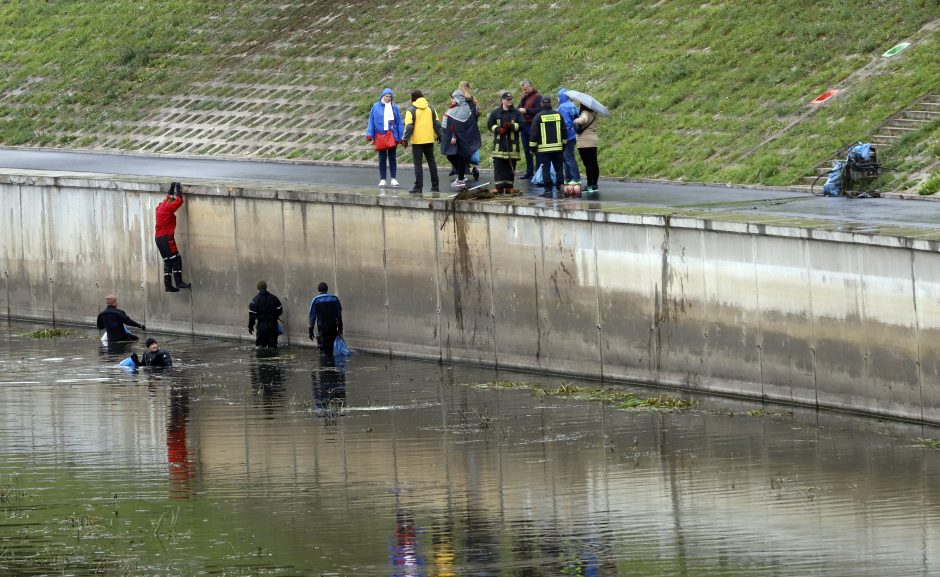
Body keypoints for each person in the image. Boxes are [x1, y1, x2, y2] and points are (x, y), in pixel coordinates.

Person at [402, 90, 442, 194]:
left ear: (413, 98)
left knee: (418, 164)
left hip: (417, 141)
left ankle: (418, 187)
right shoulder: (431, 108)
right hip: (429, 139)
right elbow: (437, 123)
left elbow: (409, 126)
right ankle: (435, 186)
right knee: (431, 162)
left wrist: (405, 139)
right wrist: (440, 135)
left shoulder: (411, 110)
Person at [440, 90, 482, 189]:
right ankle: (461, 176)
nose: (452, 100)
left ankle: (460, 179)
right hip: (457, 139)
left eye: (453, 98)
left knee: (458, 157)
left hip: (458, 140)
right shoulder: (459, 109)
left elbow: (458, 125)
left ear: (458, 98)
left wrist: (454, 136)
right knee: (452, 157)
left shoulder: (463, 110)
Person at [155, 182, 192, 293]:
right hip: (167, 239)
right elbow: (179, 201)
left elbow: (168, 198)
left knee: (168, 261)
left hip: (158, 239)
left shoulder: (160, 207)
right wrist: (178, 191)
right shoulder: (167, 208)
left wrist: (171, 189)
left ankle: (168, 285)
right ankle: (179, 282)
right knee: (176, 260)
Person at [365, 88, 404, 188]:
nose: (388, 98)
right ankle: (382, 179)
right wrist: (370, 134)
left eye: (390, 96)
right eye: (386, 96)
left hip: (392, 136)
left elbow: (399, 122)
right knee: (382, 158)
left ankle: (393, 178)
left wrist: (401, 136)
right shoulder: (376, 106)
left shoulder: (394, 107)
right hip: (380, 136)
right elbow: (371, 121)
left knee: (392, 157)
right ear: (382, 96)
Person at [486, 91, 524, 195]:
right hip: (499, 145)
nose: (509, 101)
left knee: (510, 167)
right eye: (508, 100)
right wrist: (498, 129)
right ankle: (498, 187)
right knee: (499, 166)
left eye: (511, 99)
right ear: (502, 100)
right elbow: (490, 124)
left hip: (512, 145)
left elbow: (522, 125)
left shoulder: (516, 113)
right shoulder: (496, 112)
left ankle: (509, 187)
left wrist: (512, 126)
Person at [529, 96, 567, 197]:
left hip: (544, 150)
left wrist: (532, 148)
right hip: (558, 148)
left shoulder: (538, 116)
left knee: (546, 169)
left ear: (541, 104)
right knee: (559, 169)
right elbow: (564, 131)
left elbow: (534, 134)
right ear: (551, 103)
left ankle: (548, 190)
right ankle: (561, 188)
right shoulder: (558, 115)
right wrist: (564, 145)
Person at [308, 281, 343, 356]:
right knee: (332, 348)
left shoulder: (316, 300)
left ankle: (324, 365)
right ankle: (332, 366)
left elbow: (312, 316)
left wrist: (310, 331)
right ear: (327, 289)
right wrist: (340, 328)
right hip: (333, 326)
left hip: (322, 327)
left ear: (318, 290)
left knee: (323, 349)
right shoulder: (335, 299)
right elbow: (339, 315)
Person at [516, 80, 542, 179]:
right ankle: (529, 172)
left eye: (526, 89)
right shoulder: (524, 98)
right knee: (527, 150)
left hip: (533, 125)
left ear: (531, 86)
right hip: (524, 125)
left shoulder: (538, 97)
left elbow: (539, 110)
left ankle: (538, 171)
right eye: (523, 90)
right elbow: (519, 107)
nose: (524, 91)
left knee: (535, 149)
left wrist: (526, 110)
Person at [557, 89, 582, 188]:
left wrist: (563, 136)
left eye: (558, 96)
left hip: (567, 136)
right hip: (574, 134)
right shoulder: (572, 105)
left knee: (569, 157)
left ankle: (576, 178)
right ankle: (568, 178)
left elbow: (565, 123)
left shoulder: (562, 107)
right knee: (566, 157)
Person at [574, 101, 600, 193]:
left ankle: (589, 185)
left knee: (588, 164)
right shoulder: (594, 113)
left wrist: (576, 120)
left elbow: (583, 120)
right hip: (593, 140)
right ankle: (594, 184)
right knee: (594, 163)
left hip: (584, 142)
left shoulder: (584, 113)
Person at [248, 280, 283, 349]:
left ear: (258, 288)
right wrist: (275, 316)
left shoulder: (255, 300)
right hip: (273, 325)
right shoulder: (274, 298)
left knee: (260, 348)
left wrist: (250, 326)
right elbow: (280, 310)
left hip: (262, 326)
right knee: (273, 347)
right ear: (266, 287)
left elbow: (252, 316)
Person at [459, 81, 482, 181]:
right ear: (468, 88)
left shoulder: (458, 100)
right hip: (473, 129)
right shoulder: (473, 99)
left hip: (462, 129)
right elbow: (479, 112)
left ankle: (462, 171)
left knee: (461, 149)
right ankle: (474, 167)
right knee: (472, 147)